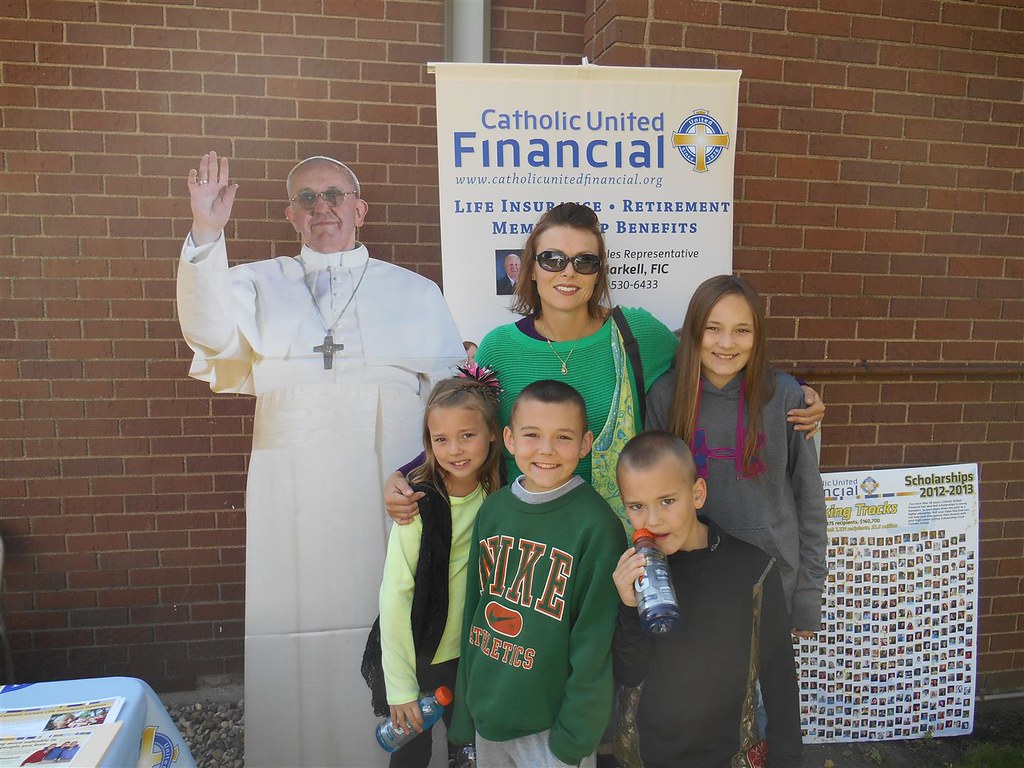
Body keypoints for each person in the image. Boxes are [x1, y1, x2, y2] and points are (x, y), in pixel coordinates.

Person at [175, 151, 465, 767]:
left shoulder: (413, 291)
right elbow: (209, 333)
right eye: (306, 198)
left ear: (359, 210)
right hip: (292, 494)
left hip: (385, 490)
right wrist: (206, 234)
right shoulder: (255, 282)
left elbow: (447, 404)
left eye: (334, 195)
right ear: (290, 214)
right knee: (294, 620)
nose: (321, 208)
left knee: (391, 600)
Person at [387, 203, 825, 532]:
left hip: (624, 540)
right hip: (530, 539)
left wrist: (795, 388)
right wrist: (407, 476)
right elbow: (464, 429)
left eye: (585, 261)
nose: (568, 272)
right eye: (553, 259)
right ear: (531, 269)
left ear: (599, 273)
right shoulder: (499, 348)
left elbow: (713, 360)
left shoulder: (636, 333)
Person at [448, 381, 623, 767]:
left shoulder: (597, 526)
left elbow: (594, 642)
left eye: (563, 437)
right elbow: (473, 613)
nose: (546, 450)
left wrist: (574, 739)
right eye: (532, 435)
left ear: (585, 443)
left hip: (553, 732)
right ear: (509, 439)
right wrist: (464, 714)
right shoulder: (493, 512)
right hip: (488, 718)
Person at [645, 274, 827, 634]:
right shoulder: (666, 397)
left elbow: (809, 500)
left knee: (758, 688)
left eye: (742, 330)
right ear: (693, 330)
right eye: (713, 328)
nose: (727, 343)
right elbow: (649, 499)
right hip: (688, 582)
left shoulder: (787, 398)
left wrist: (808, 596)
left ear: (758, 336)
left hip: (770, 580)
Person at [611, 431, 802, 768]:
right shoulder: (633, 574)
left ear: (697, 494)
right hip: (650, 757)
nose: (652, 521)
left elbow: (779, 678)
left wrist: (787, 760)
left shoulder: (753, 570)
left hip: (730, 757)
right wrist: (629, 607)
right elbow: (628, 674)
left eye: (667, 501)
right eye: (637, 506)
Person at [364, 371, 503, 768]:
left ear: (493, 433)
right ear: (428, 443)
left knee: (472, 750)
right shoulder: (417, 503)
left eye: (467, 436)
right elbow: (395, 594)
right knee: (412, 752)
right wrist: (401, 686)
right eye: (441, 439)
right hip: (424, 655)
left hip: (477, 654)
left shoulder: (501, 492)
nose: (455, 450)